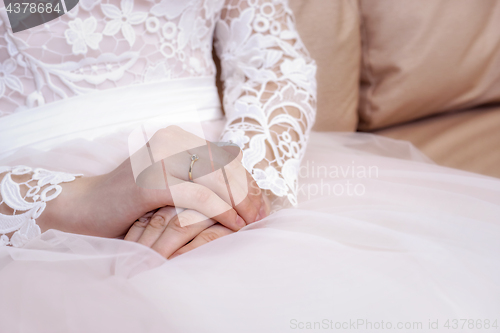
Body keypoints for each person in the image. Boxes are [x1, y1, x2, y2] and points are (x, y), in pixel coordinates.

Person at [0, 1, 499, 332]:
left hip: (235, 163)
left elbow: (274, 63)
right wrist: (81, 200)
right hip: (45, 204)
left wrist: (236, 179)